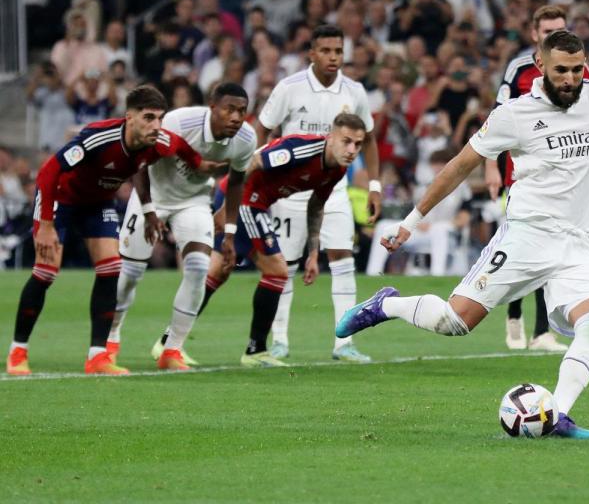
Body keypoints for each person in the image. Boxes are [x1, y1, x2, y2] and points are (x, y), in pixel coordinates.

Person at [335, 30, 589, 439]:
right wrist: (410, 220)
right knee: (454, 321)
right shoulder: (514, 114)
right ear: (540, 65)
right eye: (560, 70)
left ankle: (558, 414)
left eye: (576, 69)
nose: (569, 78)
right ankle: (387, 305)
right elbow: (460, 165)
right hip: (526, 236)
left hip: (578, 247)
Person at [6, 86, 220, 376]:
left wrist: (204, 165)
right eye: (148, 118)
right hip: (61, 198)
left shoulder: (159, 141)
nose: (156, 125)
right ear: (129, 117)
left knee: (111, 269)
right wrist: (45, 225)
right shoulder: (99, 137)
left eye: (160, 118)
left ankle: (98, 357)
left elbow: (184, 150)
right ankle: (18, 351)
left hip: (97, 203)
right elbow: (48, 172)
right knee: (46, 271)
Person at [487, 5, 589, 353]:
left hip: (568, 178)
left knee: (551, 254)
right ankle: (514, 314)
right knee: (521, 249)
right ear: (534, 35)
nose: (552, 35)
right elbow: (497, 118)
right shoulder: (519, 69)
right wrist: (489, 167)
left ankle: (543, 331)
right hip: (522, 177)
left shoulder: (578, 68)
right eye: (546, 31)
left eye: (559, 28)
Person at [200, 114, 367, 367]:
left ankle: (170, 342)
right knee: (277, 271)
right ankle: (256, 351)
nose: (352, 150)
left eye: (358, 144)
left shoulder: (337, 169)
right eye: (346, 141)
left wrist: (313, 252)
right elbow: (253, 162)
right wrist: (227, 210)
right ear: (331, 137)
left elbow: (316, 205)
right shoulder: (304, 149)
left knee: (217, 272)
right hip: (243, 196)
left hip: (255, 203)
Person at [256, 25, 381, 362]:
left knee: (343, 258)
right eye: (325, 51)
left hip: (335, 189)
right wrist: (259, 179)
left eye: (338, 51)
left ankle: (345, 342)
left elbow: (368, 139)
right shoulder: (290, 88)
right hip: (291, 193)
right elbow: (263, 127)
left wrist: (374, 185)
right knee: (285, 265)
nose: (333, 57)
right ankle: (279, 340)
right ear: (311, 53)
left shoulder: (354, 90)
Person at [110, 83, 256, 371]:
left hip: (194, 202)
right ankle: (111, 337)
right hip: (151, 196)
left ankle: (171, 350)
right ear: (212, 107)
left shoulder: (245, 139)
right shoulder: (178, 122)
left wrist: (229, 233)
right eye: (229, 109)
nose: (236, 117)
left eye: (242, 111)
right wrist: (149, 209)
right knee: (130, 274)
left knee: (199, 268)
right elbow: (139, 161)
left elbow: (237, 182)